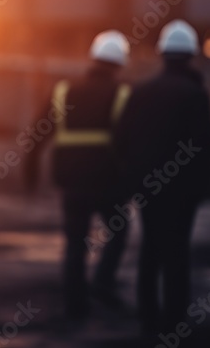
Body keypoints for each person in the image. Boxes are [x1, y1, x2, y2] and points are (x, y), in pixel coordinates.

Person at [114, 19, 210, 335]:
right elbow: (204, 147)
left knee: (151, 249)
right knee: (177, 252)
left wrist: (134, 177)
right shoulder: (195, 94)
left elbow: (121, 139)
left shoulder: (141, 92)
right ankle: (175, 319)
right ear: (191, 55)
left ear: (162, 53)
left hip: (148, 187)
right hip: (183, 191)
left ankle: (148, 317)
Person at [24, 30, 133, 319]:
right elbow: (132, 142)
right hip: (108, 181)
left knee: (75, 243)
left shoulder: (63, 90)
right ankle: (102, 281)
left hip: (71, 182)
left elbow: (36, 136)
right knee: (119, 231)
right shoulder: (122, 93)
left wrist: (30, 176)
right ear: (119, 63)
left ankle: (75, 306)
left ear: (93, 58)